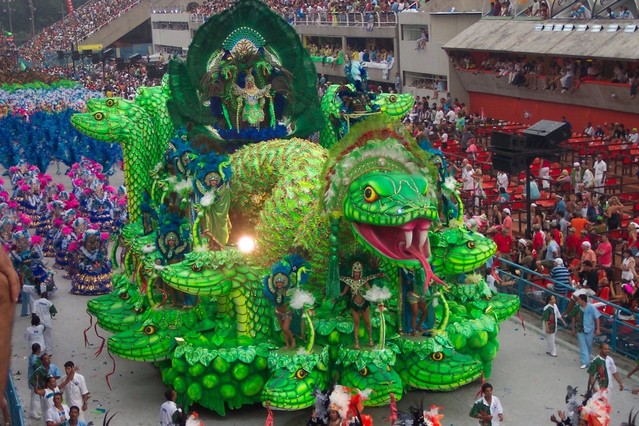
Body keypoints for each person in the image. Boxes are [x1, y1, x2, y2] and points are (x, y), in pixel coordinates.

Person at [567, 294, 601, 369]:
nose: (577, 301)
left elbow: (597, 318)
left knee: (589, 345)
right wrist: (573, 328)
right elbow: (573, 317)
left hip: (589, 329)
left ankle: (587, 359)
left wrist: (598, 329)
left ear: (583, 300)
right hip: (580, 329)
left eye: (579, 299)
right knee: (583, 346)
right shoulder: (577, 308)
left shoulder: (591, 307)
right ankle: (585, 362)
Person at [27, 343, 42, 420]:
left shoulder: (32, 356)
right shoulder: (35, 360)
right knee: (35, 396)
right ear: (38, 349)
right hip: (34, 380)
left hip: (33, 379)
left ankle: (36, 410)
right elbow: (38, 369)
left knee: (35, 396)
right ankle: (33, 412)